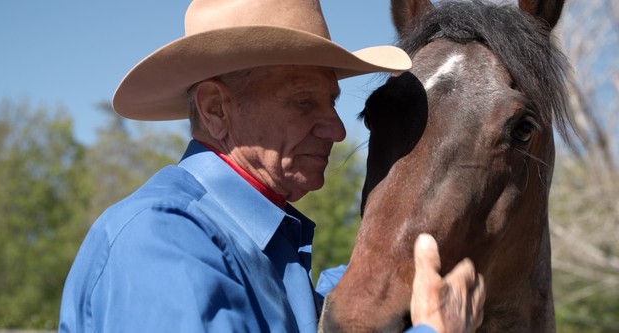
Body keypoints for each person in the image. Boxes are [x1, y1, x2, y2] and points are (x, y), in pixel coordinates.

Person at [59, 0, 485, 332]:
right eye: (303, 101)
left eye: (332, 102)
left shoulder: (260, 243)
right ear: (215, 109)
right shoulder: (160, 241)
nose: (337, 131)